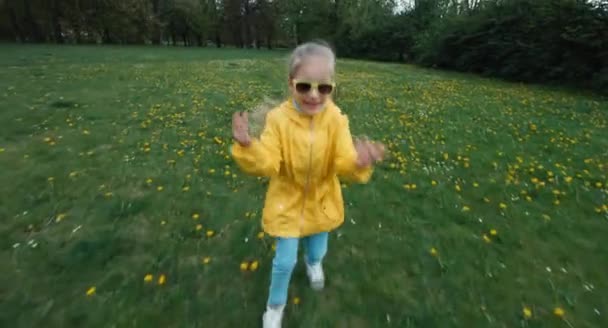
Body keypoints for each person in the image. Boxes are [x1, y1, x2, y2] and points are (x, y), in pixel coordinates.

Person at [231, 41, 385, 328]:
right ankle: (275, 306)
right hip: (286, 202)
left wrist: (359, 162)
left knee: (317, 250)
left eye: (323, 88)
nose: (314, 95)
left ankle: (314, 264)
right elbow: (268, 162)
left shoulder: (337, 120)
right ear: (291, 84)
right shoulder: (278, 120)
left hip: (322, 201)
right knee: (284, 261)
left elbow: (343, 161)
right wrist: (249, 146)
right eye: (305, 87)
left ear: (332, 87)